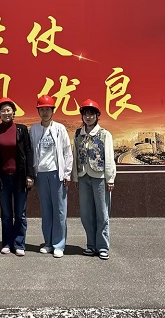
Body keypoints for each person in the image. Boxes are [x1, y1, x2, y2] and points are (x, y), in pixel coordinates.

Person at [0, 98, 34, 256]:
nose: (6, 113)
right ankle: (7, 242)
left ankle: (19, 243)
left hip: (20, 177)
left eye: (9, 110)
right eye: (3, 110)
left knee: (20, 213)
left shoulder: (21, 129)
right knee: (6, 213)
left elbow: (28, 152)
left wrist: (29, 175)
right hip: (2, 178)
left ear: (13, 112)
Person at [29, 95, 73, 258]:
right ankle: (48, 243)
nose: (45, 112)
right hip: (41, 174)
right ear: (38, 111)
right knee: (46, 210)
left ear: (52, 111)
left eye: (48, 109)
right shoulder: (34, 129)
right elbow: (30, 152)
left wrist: (67, 173)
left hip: (56, 174)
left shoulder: (60, 128)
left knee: (60, 210)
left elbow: (67, 151)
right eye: (42, 109)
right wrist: (31, 174)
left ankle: (59, 244)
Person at [73, 99, 116, 260]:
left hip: (100, 177)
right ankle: (91, 245)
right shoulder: (78, 133)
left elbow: (109, 157)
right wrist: (75, 177)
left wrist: (110, 178)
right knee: (86, 214)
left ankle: (102, 246)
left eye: (92, 114)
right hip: (83, 176)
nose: (88, 117)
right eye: (86, 114)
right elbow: (75, 155)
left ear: (97, 116)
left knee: (102, 213)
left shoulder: (104, 134)